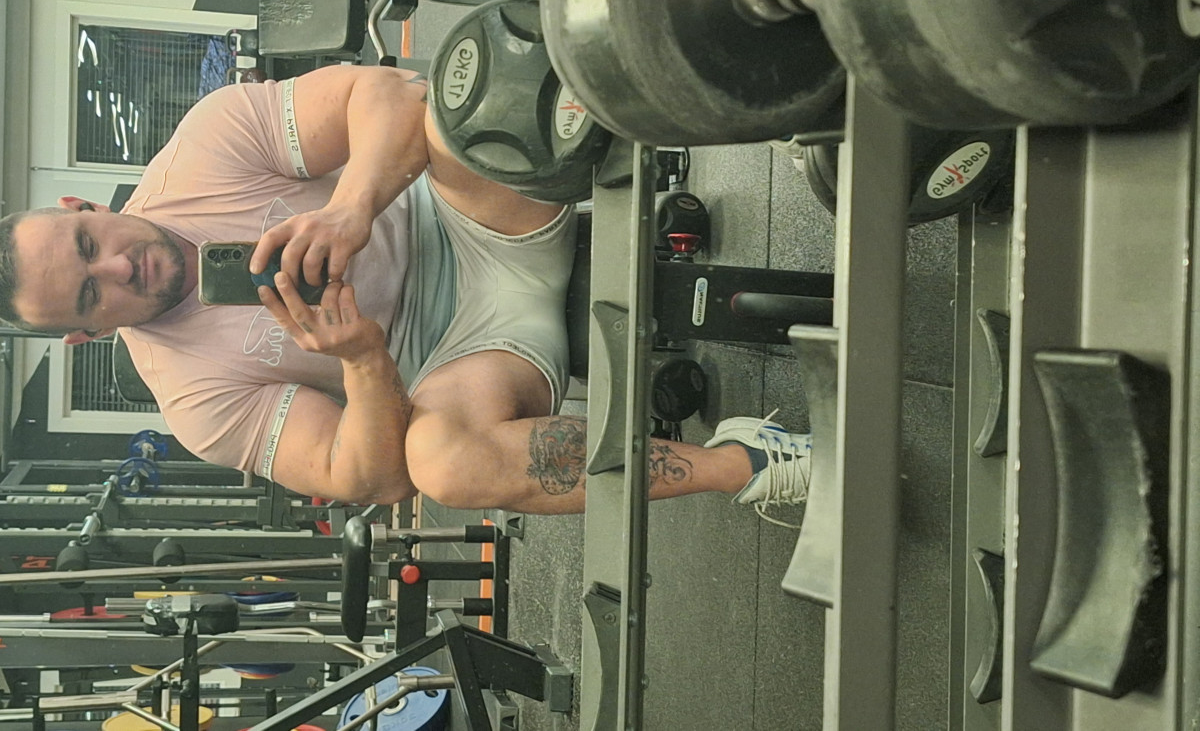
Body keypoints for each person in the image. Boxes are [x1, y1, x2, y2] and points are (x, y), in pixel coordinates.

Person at [0, 65, 811, 520]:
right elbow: (368, 478)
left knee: (452, 113)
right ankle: (745, 462)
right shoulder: (192, 400)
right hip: (468, 359)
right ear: (86, 337)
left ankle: (752, 97)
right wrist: (362, 360)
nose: (118, 270)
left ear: (83, 208)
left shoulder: (203, 149)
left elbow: (388, 95)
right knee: (440, 467)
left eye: (88, 247)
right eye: (89, 298)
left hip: (470, 213)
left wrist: (353, 206)